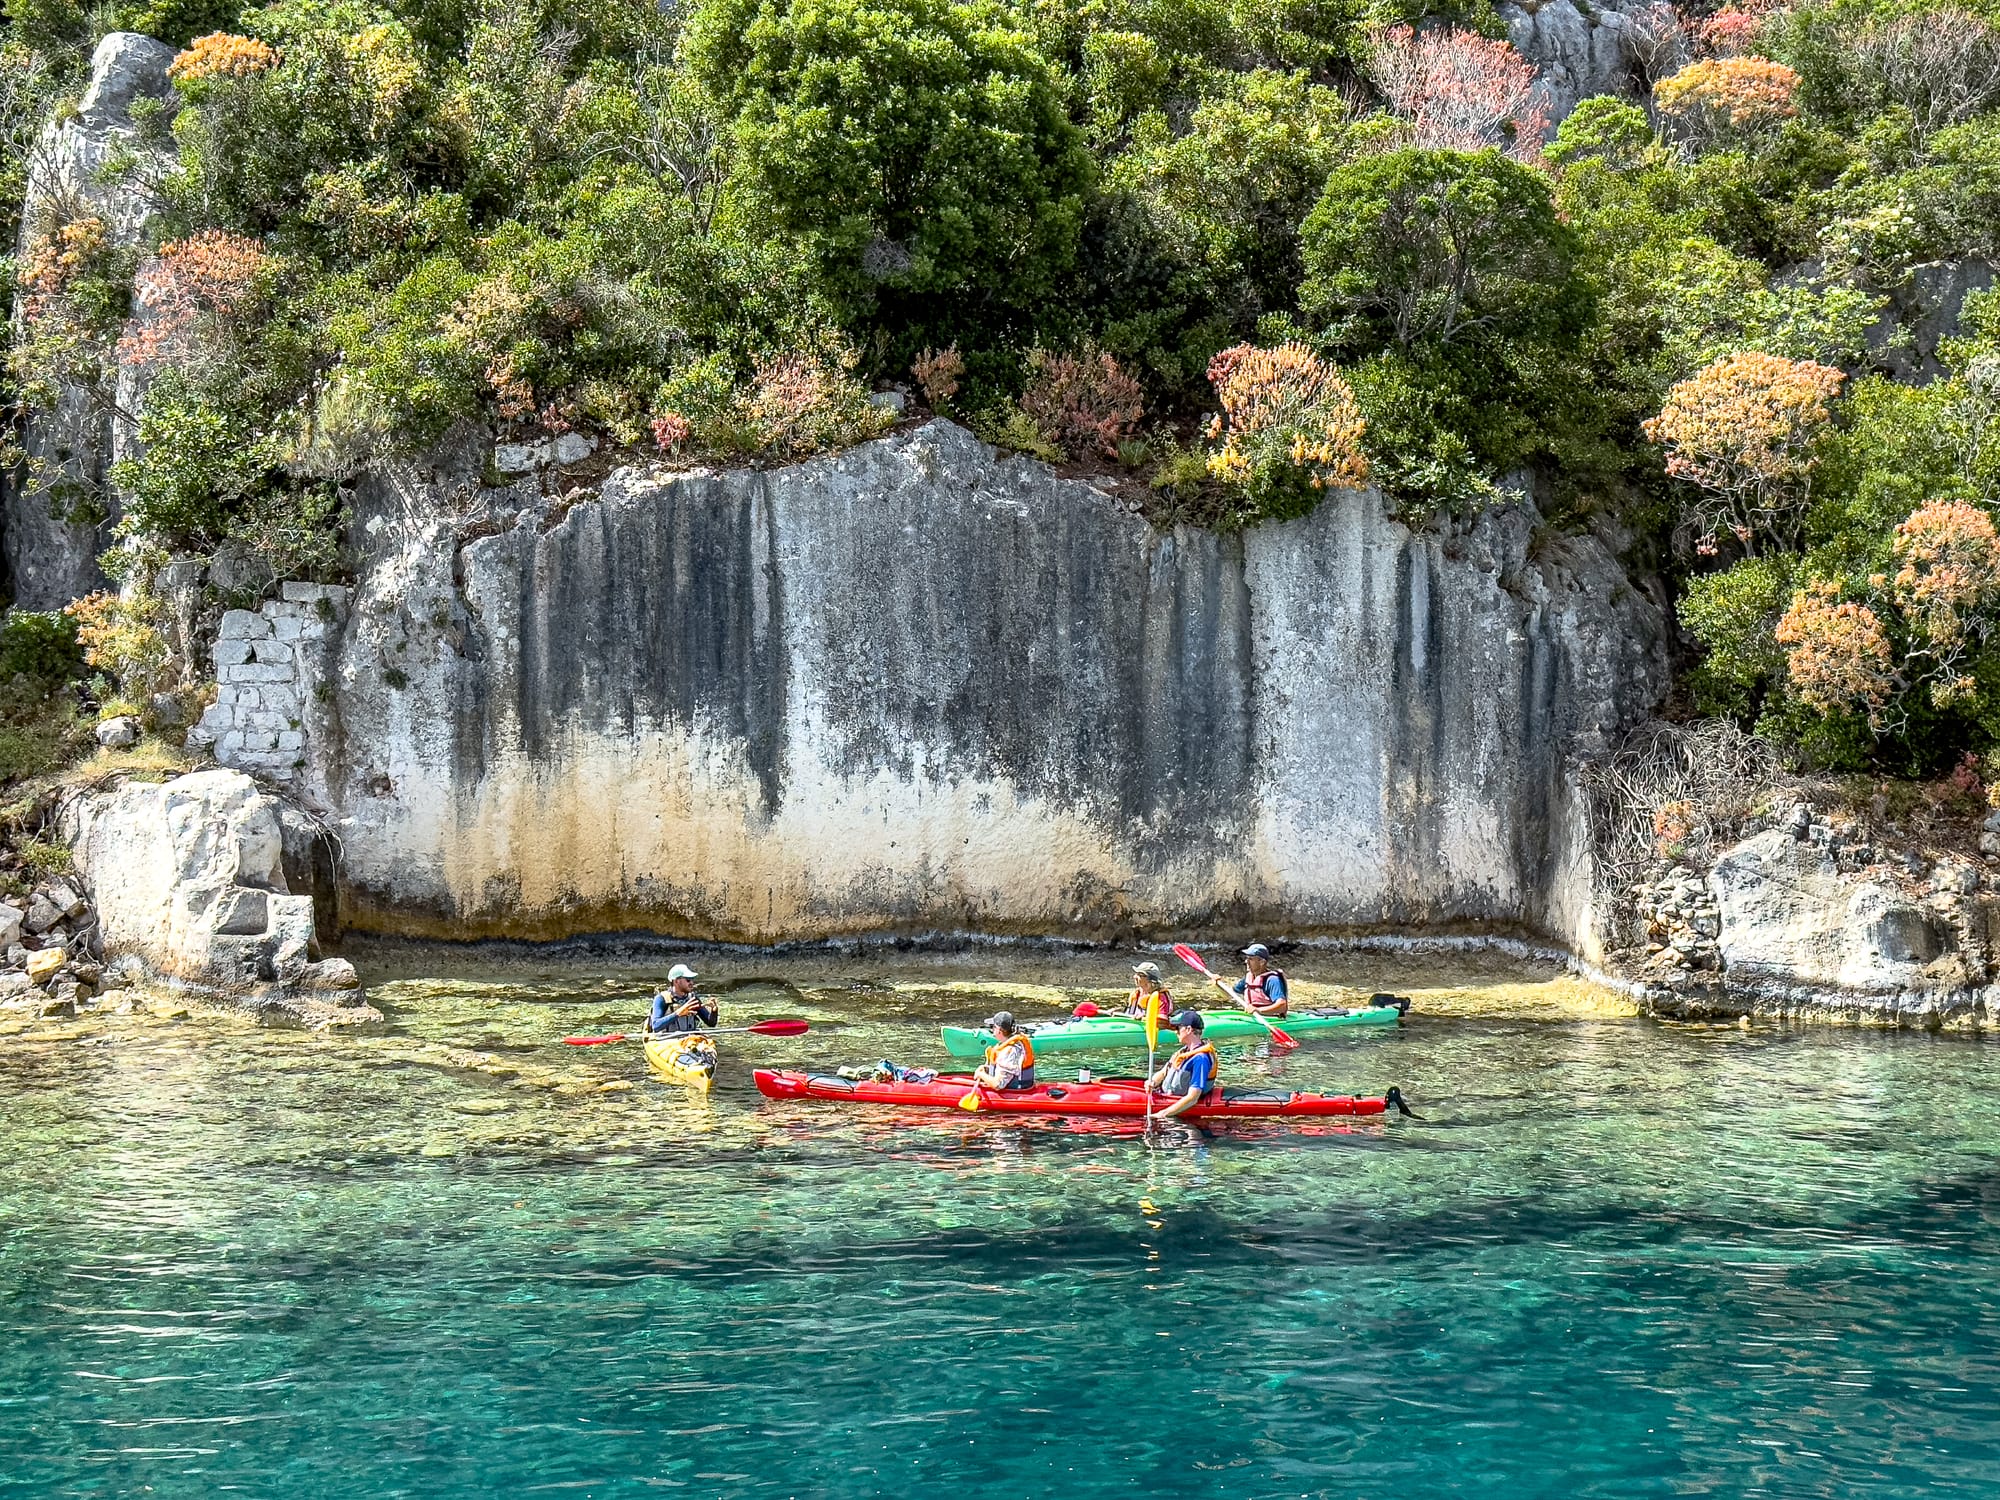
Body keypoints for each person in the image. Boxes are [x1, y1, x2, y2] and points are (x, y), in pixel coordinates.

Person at [1146, 1011, 1219, 1119]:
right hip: (1165, 1094)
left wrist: (1163, 1113)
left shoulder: (1200, 1059)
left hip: (1176, 1102)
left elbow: (1193, 1098)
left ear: (1189, 1029)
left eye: (1178, 1028)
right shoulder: (1183, 1052)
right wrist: (1152, 1082)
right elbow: (1163, 1072)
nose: (1176, 1032)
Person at [1215, 942, 1289, 1019]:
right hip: (1253, 1016)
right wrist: (1218, 984)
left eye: (1250, 959)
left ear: (1262, 962)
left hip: (1271, 1019)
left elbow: (1282, 1006)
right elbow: (1229, 995)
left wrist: (1258, 1010)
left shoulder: (1272, 980)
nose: (1246, 961)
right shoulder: (1249, 978)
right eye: (1247, 958)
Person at [646, 963, 717, 1035]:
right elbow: (656, 1026)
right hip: (667, 1041)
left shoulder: (692, 998)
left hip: (689, 1041)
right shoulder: (661, 999)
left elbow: (711, 1024)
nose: (692, 983)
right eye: (688, 980)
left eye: (692, 979)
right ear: (676, 981)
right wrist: (678, 1013)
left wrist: (714, 1011)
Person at [971, 1011, 1036, 1091]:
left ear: (999, 1030)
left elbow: (998, 1085)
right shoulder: (1015, 1043)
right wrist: (986, 1069)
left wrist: (981, 1075)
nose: (992, 1029)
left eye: (993, 1026)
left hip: (1015, 1093)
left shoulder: (1009, 1051)